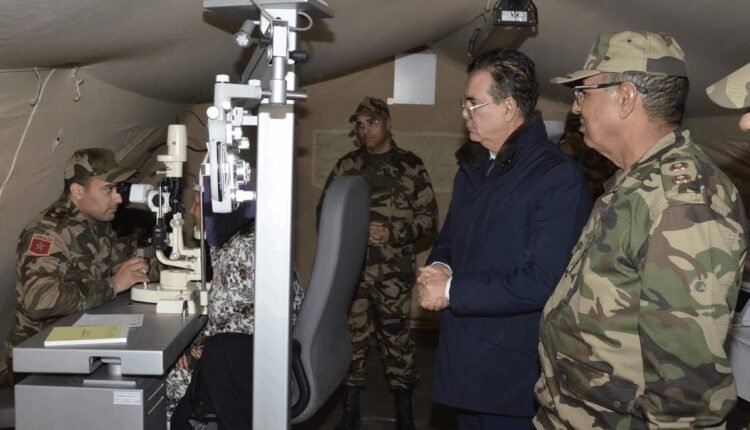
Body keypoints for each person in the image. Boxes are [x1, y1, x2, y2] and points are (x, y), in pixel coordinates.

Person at [534, 31, 748, 429]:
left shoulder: (682, 205)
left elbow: (685, 396)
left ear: (626, 97)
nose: (576, 106)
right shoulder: (638, 182)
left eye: (583, 92)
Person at [416, 48, 590, 429]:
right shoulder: (475, 167)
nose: (465, 113)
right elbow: (450, 239)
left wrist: (452, 291)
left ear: (509, 107)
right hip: (465, 366)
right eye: (464, 104)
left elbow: (543, 280)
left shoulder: (556, 178)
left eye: (473, 104)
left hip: (511, 378)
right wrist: (439, 267)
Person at [317, 96, 438, 430]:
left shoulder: (411, 166)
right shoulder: (346, 167)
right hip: (352, 273)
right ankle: (350, 414)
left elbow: (429, 220)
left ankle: (405, 414)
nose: (365, 130)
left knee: (397, 342)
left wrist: (393, 232)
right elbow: (324, 213)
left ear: (388, 124)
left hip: (393, 275)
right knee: (351, 341)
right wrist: (356, 229)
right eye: (359, 125)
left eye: (371, 123)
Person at [2, 148, 150, 386]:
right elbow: (39, 300)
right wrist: (112, 285)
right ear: (78, 191)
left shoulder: (96, 224)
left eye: (117, 189)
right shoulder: (46, 233)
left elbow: (118, 261)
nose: (119, 199)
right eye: (108, 189)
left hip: (77, 345)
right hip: (38, 358)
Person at [166, 178, 305, 425]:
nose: (192, 212)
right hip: (267, 350)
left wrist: (184, 347)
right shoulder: (254, 237)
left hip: (251, 361)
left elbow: (228, 326)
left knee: (165, 377)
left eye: (198, 204)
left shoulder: (240, 250)